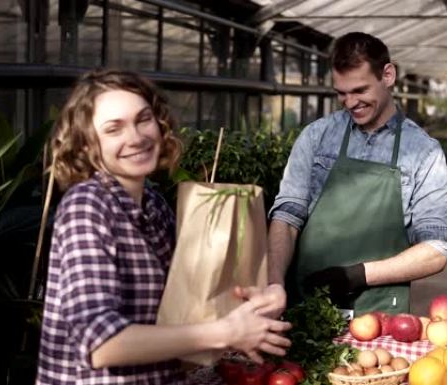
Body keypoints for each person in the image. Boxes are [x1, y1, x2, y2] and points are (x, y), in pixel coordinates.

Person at [36, 69, 291, 385]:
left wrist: (259, 299)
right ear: (88, 145)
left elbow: (187, 307)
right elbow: (101, 344)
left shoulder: (154, 206)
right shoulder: (88, 206)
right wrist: (226, 332)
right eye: (114, 129)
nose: (136, 136)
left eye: (143, 119)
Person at [242, 32, 447, 318]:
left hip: (379, 316)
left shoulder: (424, 153)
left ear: (388, 75)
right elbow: (287, 216)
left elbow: (436, 249)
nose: (350, 102)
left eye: (359, 91)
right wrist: (274, 284)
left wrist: (358, 275)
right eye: (341, 93)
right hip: (306, 306)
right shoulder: (317, 136)